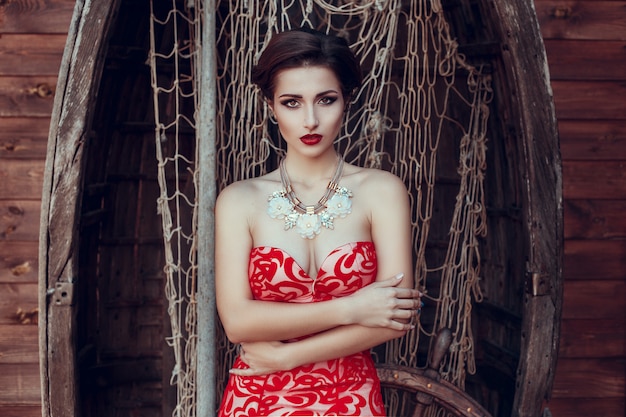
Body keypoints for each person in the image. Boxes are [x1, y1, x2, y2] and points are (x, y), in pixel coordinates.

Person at [215, 28, 422, 416]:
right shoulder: (239, 200)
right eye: (292, 102)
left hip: (350, 396)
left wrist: (289, 358)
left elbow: (394, 318)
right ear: (271, 107)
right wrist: (353, 308)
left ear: (346, 102)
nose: (310, 120)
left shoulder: (382, 191)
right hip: (257, 400)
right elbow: (239, 324)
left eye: (326, 100)